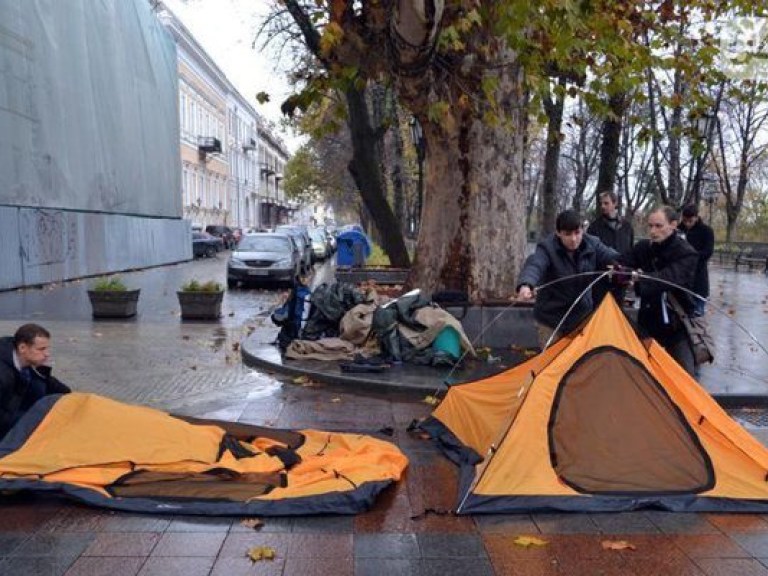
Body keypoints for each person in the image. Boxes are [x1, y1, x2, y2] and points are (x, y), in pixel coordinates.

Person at [516, 209, 620, 348]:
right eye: (567, 234)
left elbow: (615, 257)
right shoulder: (547, 248)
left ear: (582, 230)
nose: (573, 239)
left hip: (581, 318)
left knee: (578, 364)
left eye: (577, 233)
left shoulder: (593, 244)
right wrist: (526, 284)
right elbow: (535, 265)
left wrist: (629, 266)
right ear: (558, 233)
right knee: (551, 365)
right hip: (551, 321)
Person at [619, 206, 699, 376]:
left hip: (676, 326)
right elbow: (622, 261)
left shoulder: (686, 253)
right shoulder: (644, 247)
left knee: (685, 377)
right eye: (650, 226)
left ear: (673, 225)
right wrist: (618, 270)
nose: (653, 231)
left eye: (659, 226)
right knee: (643, 375)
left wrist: (638, 279)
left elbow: (667, 278)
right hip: (648, 324)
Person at [0, 324, 70, 439]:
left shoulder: (27, 361)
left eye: (47, 348)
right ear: (22, 348)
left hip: (16, 406)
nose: (47, 354)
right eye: (41, 349)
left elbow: (57, 388)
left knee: (41, 386)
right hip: (5, 424)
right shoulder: (3, 374)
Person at [587, 191, 635, 304]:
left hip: (621, 281)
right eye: (601, 203)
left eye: (606, 203)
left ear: (615, 204)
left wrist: (630, 273)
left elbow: (631, 252)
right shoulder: (594, 227)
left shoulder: (627, 227)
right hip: (601, 281)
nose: (602, 206)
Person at [678, 204, 715, 317]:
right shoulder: (679, 230)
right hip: (682, 277)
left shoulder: (706, 231)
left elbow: (708, 252)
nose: (687, 224)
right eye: (685, 221)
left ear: (696, 217)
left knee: (697, 312)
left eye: (690, 221)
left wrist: (692, 257)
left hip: (698, 275)